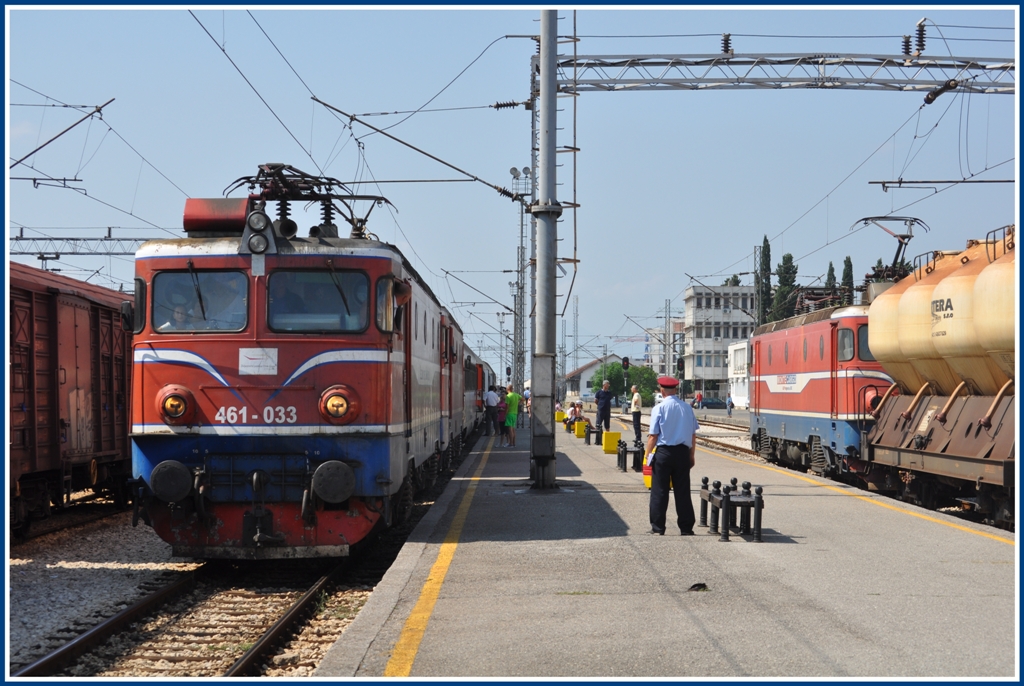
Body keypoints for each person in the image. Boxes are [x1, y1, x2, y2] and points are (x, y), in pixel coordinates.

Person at [645, 375, 699, 536]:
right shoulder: (687, 408)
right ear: (675, 389)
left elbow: (653, 436)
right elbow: (693, 435)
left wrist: (647, 456)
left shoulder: (659, 409)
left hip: (663, 453)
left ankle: (658, 527)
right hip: (682, 453)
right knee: (683, 491)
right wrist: (691, 455)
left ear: (662, 391)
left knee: (659, 491)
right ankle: (686, 527)